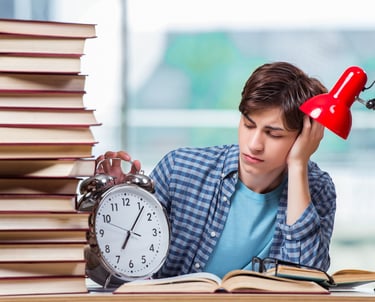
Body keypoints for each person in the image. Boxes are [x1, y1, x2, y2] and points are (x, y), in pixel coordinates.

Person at [92, 61, 336, 280]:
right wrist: (115, 213)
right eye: (248, 124)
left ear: (305, 136)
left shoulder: (317, 188)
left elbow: (306, 282)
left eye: (273, 134)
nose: (254, 144)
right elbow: (119, 275)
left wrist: (298, 165)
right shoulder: (179, 171)